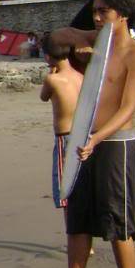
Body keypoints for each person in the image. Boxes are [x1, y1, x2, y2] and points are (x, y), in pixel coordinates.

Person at [38, 0, 135, 268]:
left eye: (104, 11)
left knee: (118, 221)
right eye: (95, 10)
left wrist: (98, 137)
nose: (98, 16)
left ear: (124, 13)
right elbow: (55, 38)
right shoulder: (91, 47)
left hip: (115, 145)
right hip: (84, 141)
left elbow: (128, 108)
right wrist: (84, 32)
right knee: (78, 219)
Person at [39, 33, 83, 209]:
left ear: (48, 56)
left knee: (64, 185)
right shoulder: (80, 76)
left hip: (64, 136)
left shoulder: (53, 79)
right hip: (82, 133)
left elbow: (43, 97)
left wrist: (51, 71)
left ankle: (71, 227)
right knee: (79, 180)